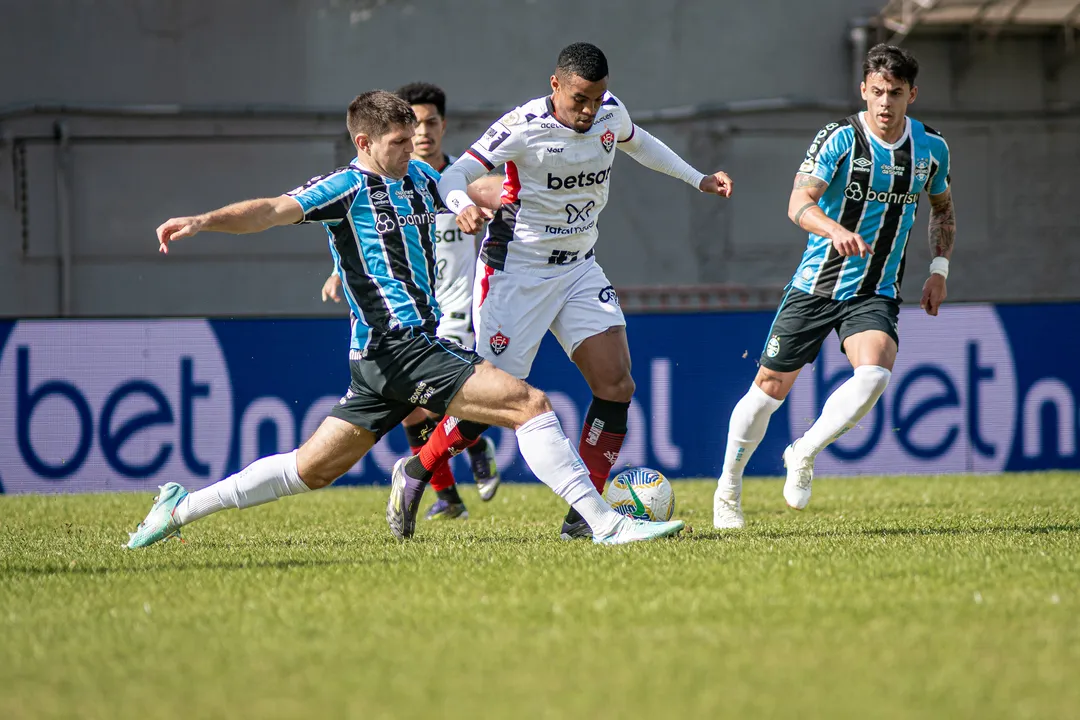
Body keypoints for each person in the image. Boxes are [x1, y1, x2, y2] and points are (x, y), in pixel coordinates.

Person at [124, 90, 685, 549]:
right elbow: (269, 211)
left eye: (413, 136)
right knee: (529, 405)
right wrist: (204, 220)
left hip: (385, 360)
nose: (411, 148)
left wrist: (519, 198)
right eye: (397, 141)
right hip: (397, 347)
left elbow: (479, 186)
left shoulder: (418, 178)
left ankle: (181, 506)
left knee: (310, 469)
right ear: (365, 142)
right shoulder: (343, 188)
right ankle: (604, 523)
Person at [407, 42, 733, 540]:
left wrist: (698, 178)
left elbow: (638, 141)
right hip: (515, 275)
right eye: (579, 98)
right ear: (555, 85)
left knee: (616, 385)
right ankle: (417, 469)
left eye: (597, 98)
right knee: (489, 409)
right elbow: (456, 173)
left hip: (580, 270)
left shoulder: (608, 112)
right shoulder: (522, 125)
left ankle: (583, 518)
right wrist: (461, 204)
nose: (588, 110)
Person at [712, 44, 955, 529]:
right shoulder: (840, 138)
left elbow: (943, 207)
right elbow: (798, 202)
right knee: (767, 390)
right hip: (816, 286)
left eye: (897, 93)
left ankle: (803, 450)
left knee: (876, 374)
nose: (886, 103)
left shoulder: (931, 147)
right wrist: (834, 229)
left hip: (875, 290)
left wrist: (939, 269)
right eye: (878, 92)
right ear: (864, 90)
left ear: (912, 94)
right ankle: (728, 488)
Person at [322, 82, 502, 522]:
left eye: (430, 122)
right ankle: (449, 495)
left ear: (443, 125)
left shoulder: (451, 179)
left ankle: (462, 451)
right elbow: (366, 239)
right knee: (413, 408)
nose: (422, 133)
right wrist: (336, 272)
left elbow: (494, 192)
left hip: (455, 310)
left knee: (447, 400)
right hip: (404, 315)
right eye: (413, 125)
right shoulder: (382, 184)